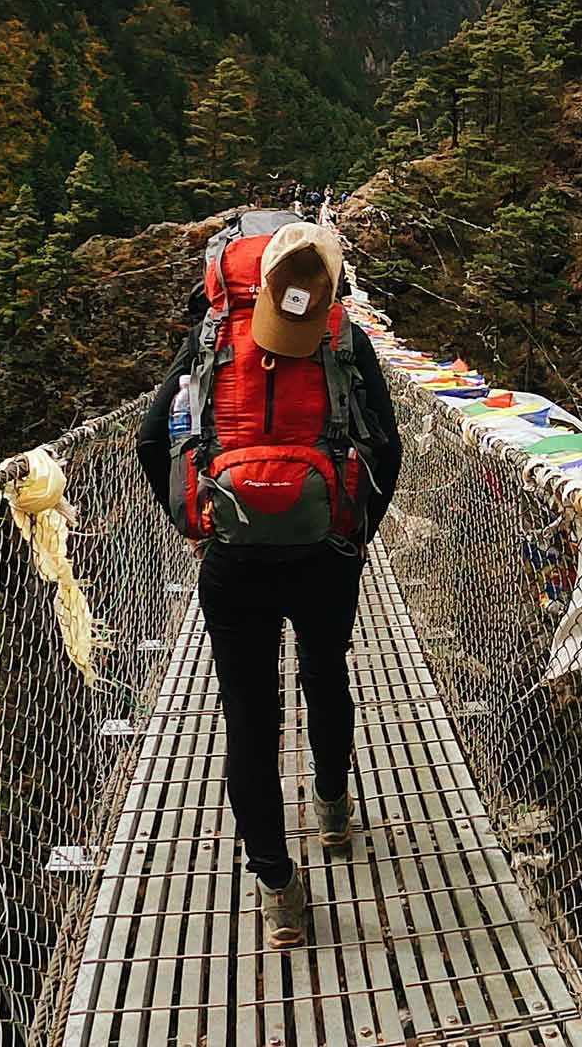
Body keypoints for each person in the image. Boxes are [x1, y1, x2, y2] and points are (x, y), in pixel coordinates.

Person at [136, 216, 401, 948]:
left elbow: (150, 439)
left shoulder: (213, 337)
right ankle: (334, 811)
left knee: (249, 720)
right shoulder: (345, 336)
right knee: (325, 674)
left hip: (233, 557)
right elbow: (391, 443)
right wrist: (356, 532)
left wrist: (198, 524)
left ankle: (278, 891)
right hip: (326, 553)